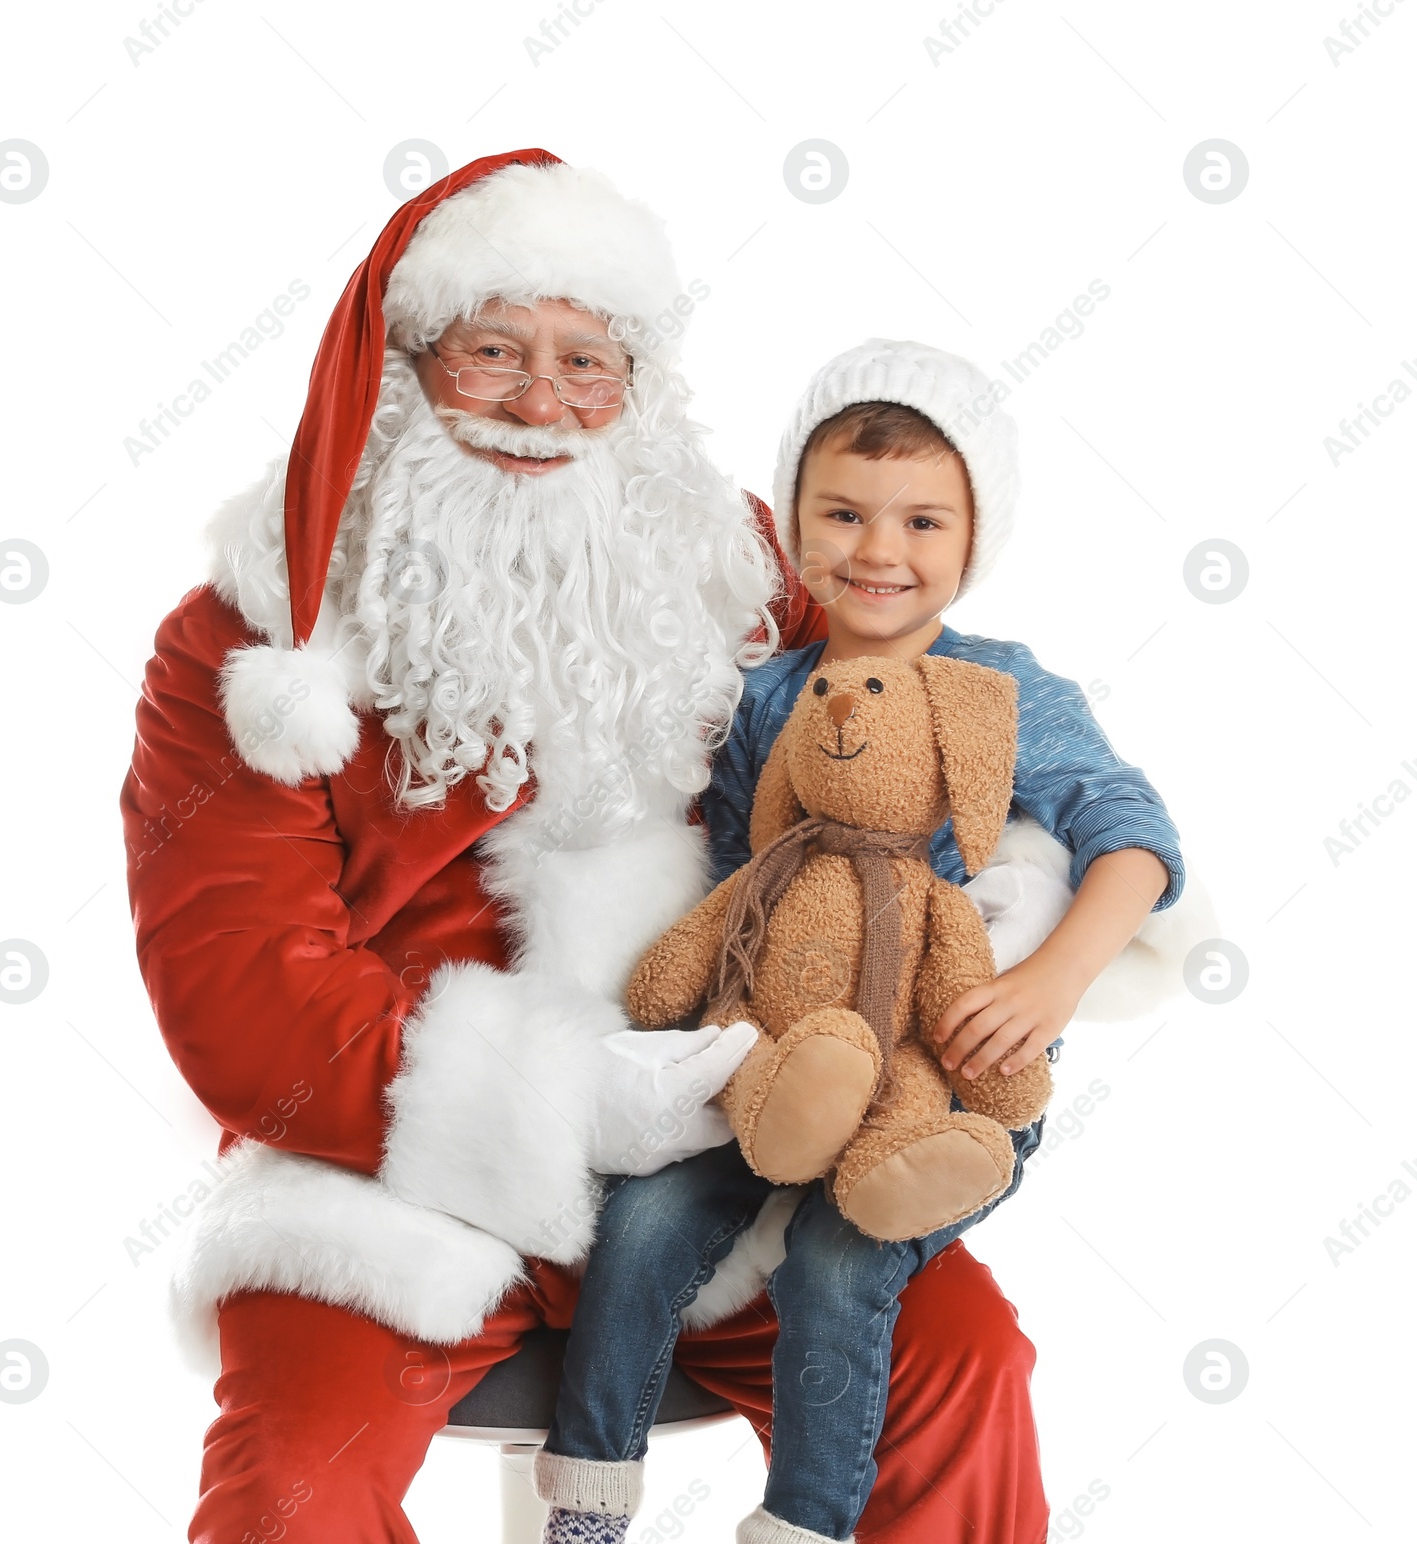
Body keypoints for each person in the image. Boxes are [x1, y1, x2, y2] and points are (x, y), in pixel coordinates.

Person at [123, 153, 1054, 1544]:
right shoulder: (251, 644)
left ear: (642, 383)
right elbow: (242, 997)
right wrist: (572, 1100)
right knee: (290, 1487)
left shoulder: (741, 571)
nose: (543, 406)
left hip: (740, 1148)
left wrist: (1028, 894)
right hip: (385, 1168)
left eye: (588, 362)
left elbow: (914, 738)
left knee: (959, 1366)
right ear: (404, 368)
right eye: (493, 352)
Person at [533, 340, 1187, 1544]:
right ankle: (586, 1505)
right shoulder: (770, 695)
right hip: (786, 1054)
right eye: (841, 512)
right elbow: (742, 877)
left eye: (922, 521)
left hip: (934, 1067)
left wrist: (1052, 974)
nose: (878, 552)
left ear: (972, 540)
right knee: (641, 1224)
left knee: (837, 1263)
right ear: (792, 524)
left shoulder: (1001, 686)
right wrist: (715, 1022)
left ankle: (807, 1524)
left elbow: (1131, 833)